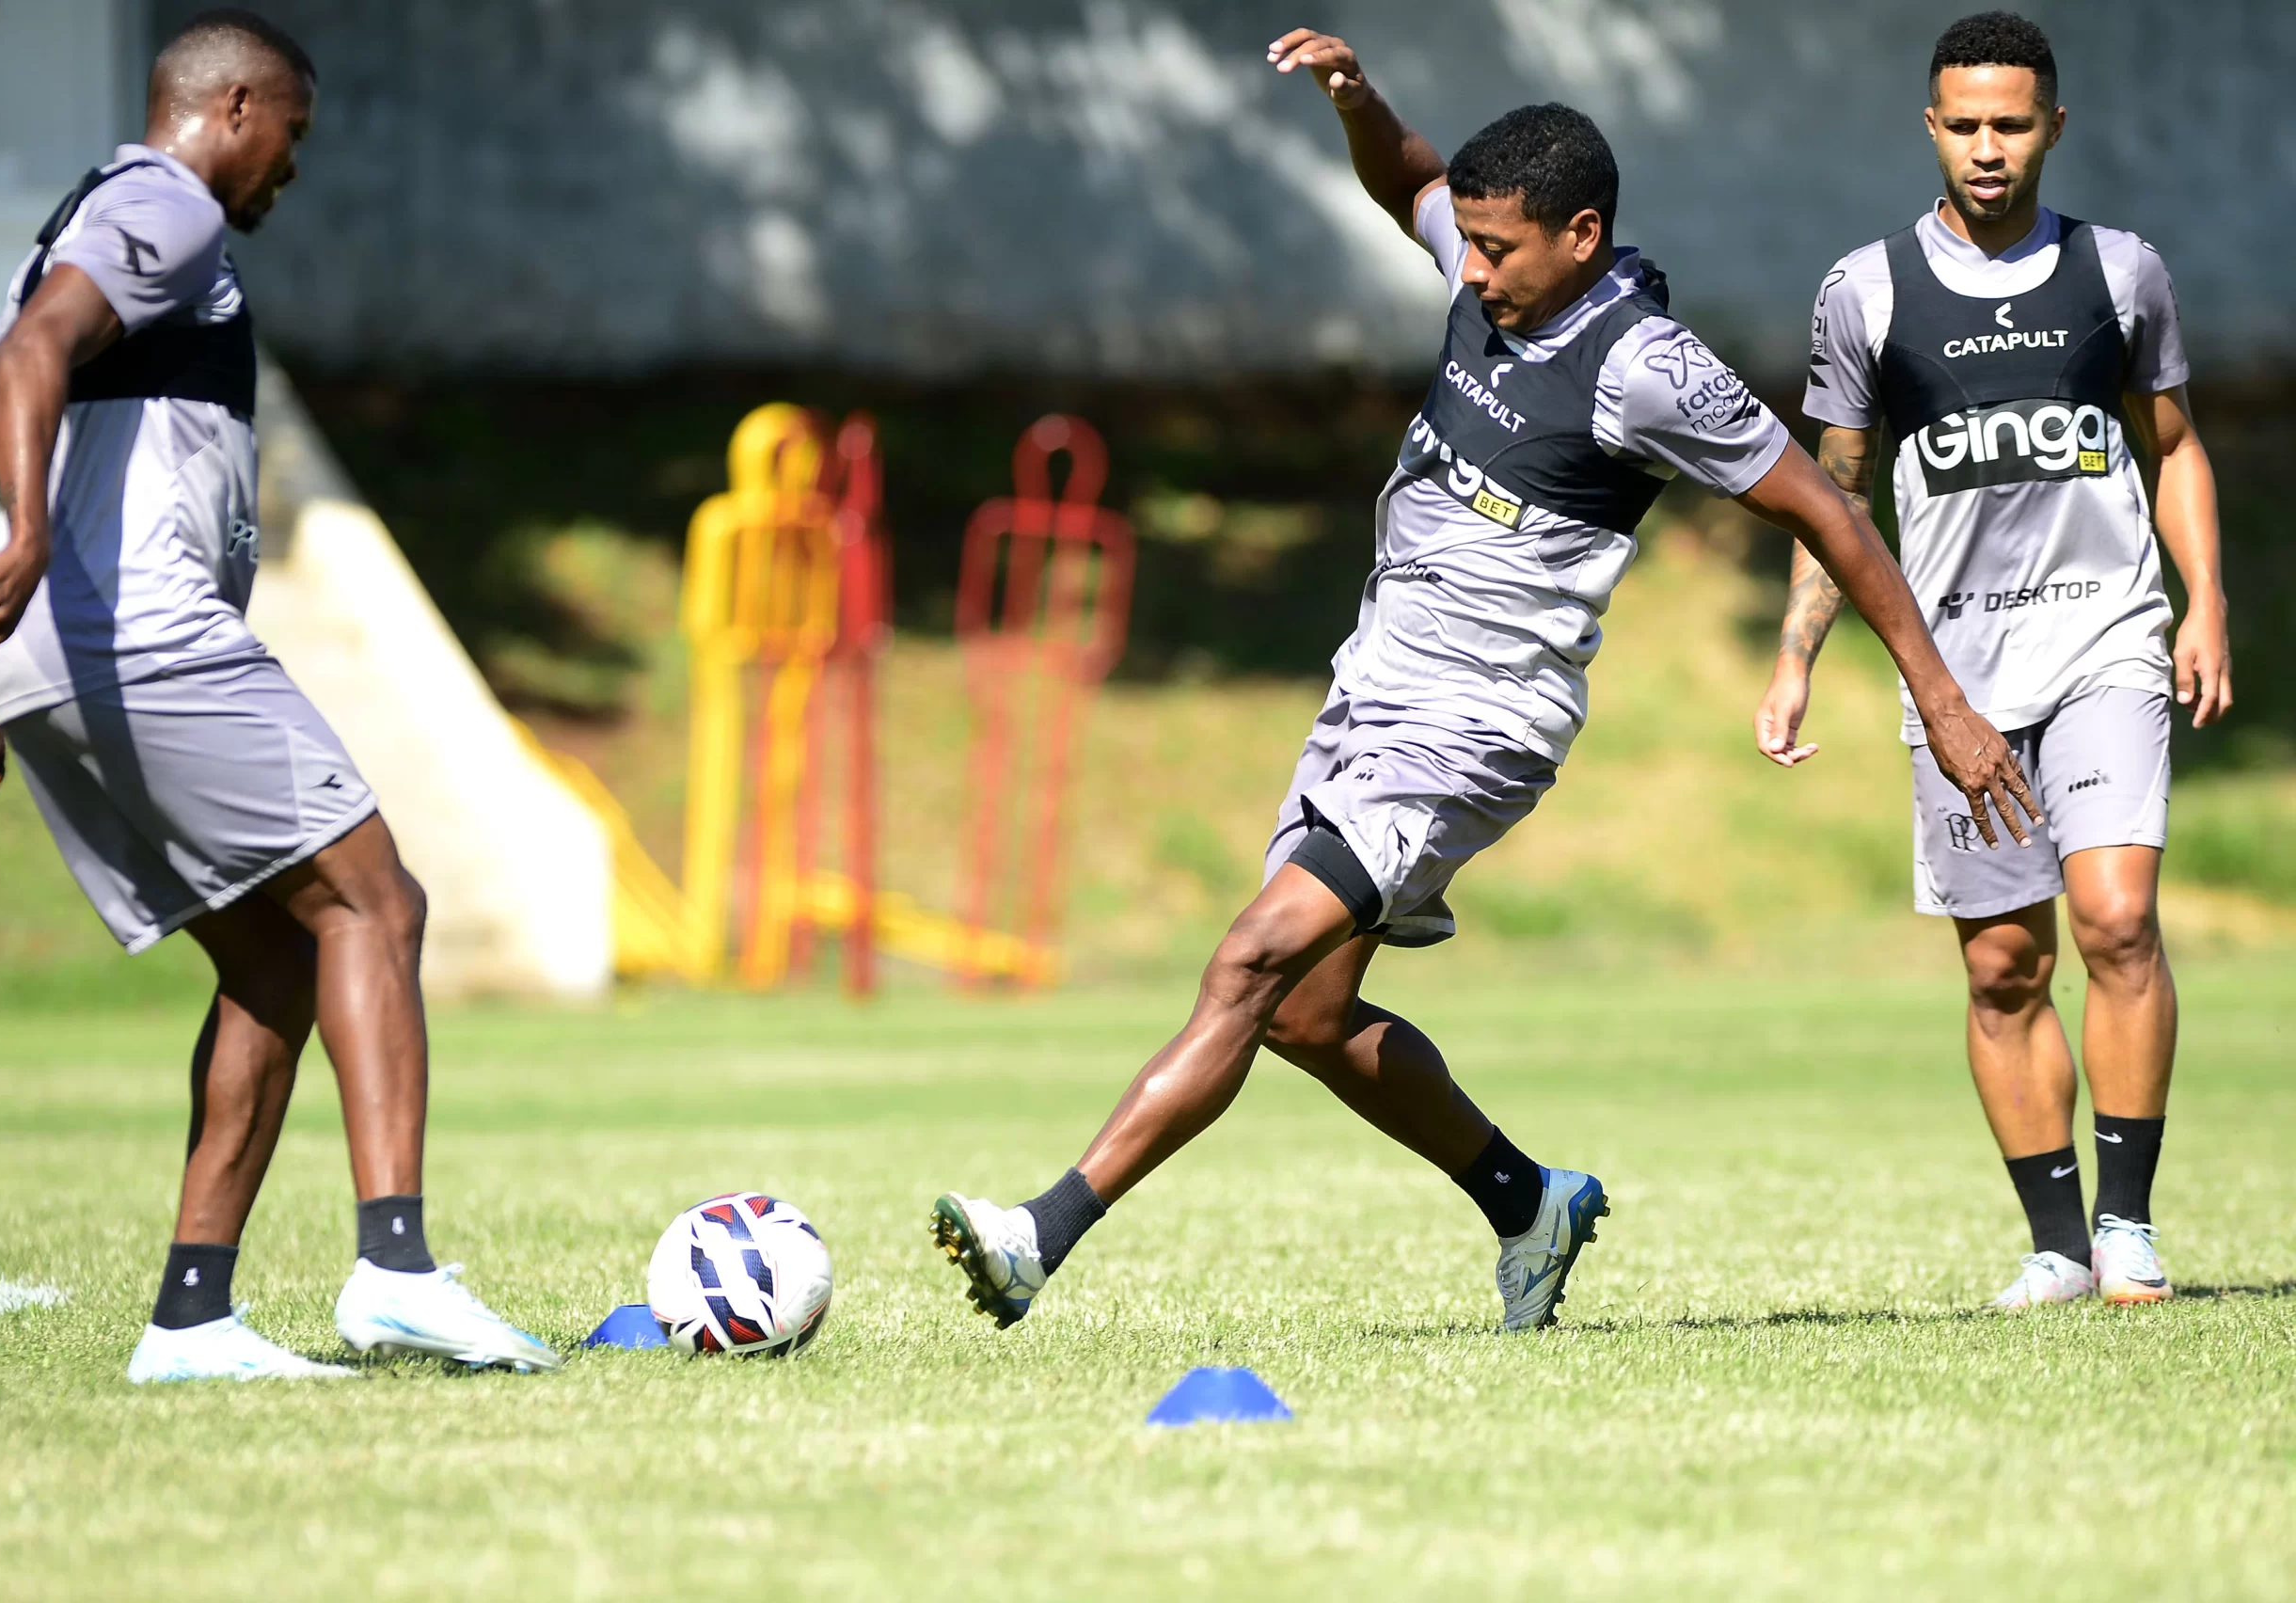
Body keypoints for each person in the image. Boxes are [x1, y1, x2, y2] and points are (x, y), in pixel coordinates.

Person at [930, 26, 2037, 1333]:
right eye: (1464, 240)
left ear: (1579, 234)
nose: (1470, 265)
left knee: (1251, 962)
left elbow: (1833, 517)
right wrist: (1360, 99)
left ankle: (1037, 1238)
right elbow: (1402, 173)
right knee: (1308, 1018)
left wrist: (1949, 705)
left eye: (1498, 247)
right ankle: (1529, 1203)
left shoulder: (1648, 368)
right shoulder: (1484, 264)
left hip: (1479, 722)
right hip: (1375, 692)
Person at [0, 9, 556, 1380]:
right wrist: (29, 544)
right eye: (291, 138)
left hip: (46, 662)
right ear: (237, 106)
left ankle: (192, 1320)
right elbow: (23, 374)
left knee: (275, 958)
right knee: (379, 902)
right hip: (136, 631)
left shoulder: (69, 243)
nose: (290, 173)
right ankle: (396, 1269)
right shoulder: (167, 206)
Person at [1755, 12, 2228, 1310]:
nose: (1984, 148)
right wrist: (1797, 655)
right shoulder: (1868, 292)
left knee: (2118, 919)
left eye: (2010, 124)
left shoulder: (2121, 273)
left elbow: (2172, 445)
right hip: (1956, 673)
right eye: (1962, 124)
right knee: (2002, 965)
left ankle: (2128, 1224)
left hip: (2107, 636)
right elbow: (1831, 497)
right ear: (1930, 127)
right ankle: (2057, 1245)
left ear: (2053, 129)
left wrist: (2205, 603)